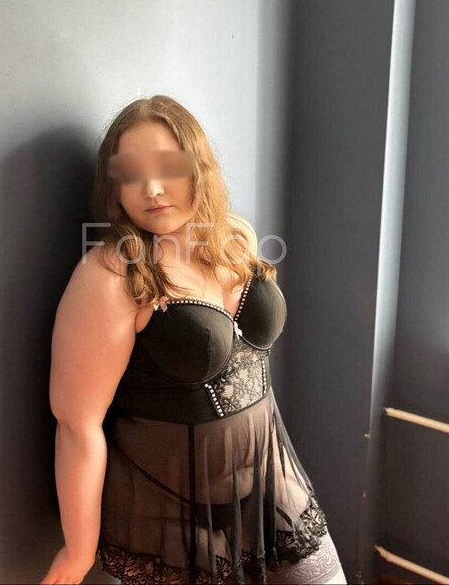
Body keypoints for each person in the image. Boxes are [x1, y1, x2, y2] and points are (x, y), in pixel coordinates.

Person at [40, 95, 348, 585]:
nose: (152, 189)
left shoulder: (234, 238)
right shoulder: (110, 274)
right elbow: (77, 423)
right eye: (131, 174)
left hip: (272, 488)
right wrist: (77, 550)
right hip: (171, 517)